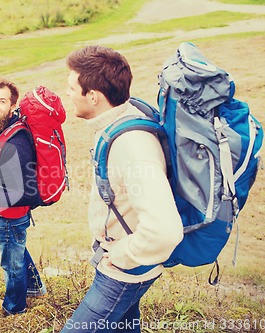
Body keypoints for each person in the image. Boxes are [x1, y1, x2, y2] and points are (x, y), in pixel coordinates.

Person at [61, 46, 183, 332]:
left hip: (124, 272)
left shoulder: (132, 146)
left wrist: (120, 256)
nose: (66, 93)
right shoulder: (121, 119)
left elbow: (165, 231)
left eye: (71, 87)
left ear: (93, 96)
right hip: (127, 264)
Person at [0, 78, 47, 315]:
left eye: (1, 101)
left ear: (12, 106)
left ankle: (14, 307)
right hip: (8, 214)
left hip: (10, 215)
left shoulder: (16, 142)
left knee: (11, 263)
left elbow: (27, 193)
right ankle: (35, 287)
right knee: (16, 249)